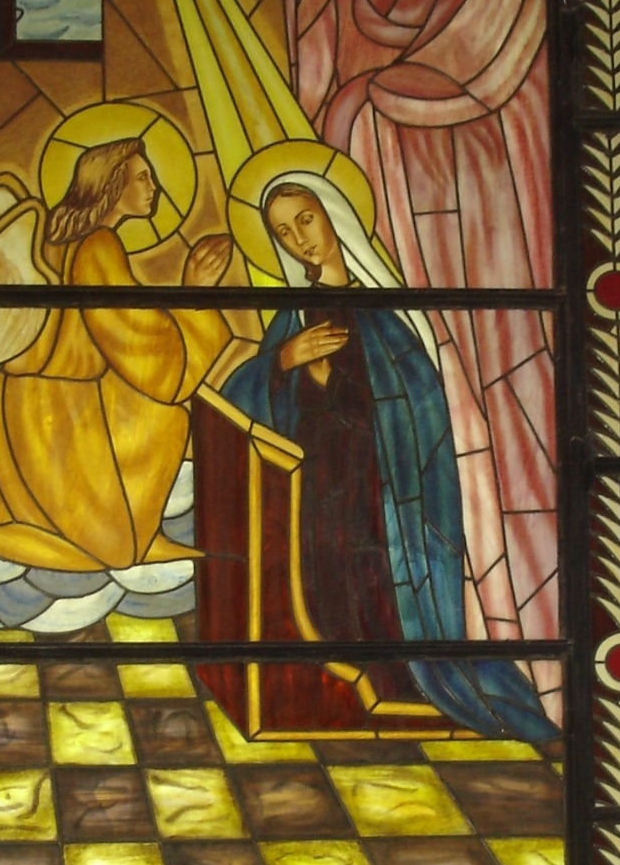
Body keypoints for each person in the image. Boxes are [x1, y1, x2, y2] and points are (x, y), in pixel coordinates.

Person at [222, 170, 557, 742]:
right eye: (284, 233)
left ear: (333, 216)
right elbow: (240, 405)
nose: (300, 239)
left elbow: (420, 406)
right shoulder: (292, 318)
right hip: (316, 492)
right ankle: (342, 695)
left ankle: (403, 684)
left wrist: (336, 384)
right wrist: (284, 363)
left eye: (306, 220)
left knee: (379, 587)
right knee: (326, 590)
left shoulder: (386, 311)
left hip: (383, 492)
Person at [0, 136, 231, 579]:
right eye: (142, 177)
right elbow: (141, 343)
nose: (154, 186)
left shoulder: (63, 239)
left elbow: (122, 336)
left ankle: (136, 535)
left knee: (165, 419)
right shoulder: (97, 247)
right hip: (53, 411)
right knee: (111, 551)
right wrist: (195, 294)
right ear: (112, 186)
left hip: (32, 400)